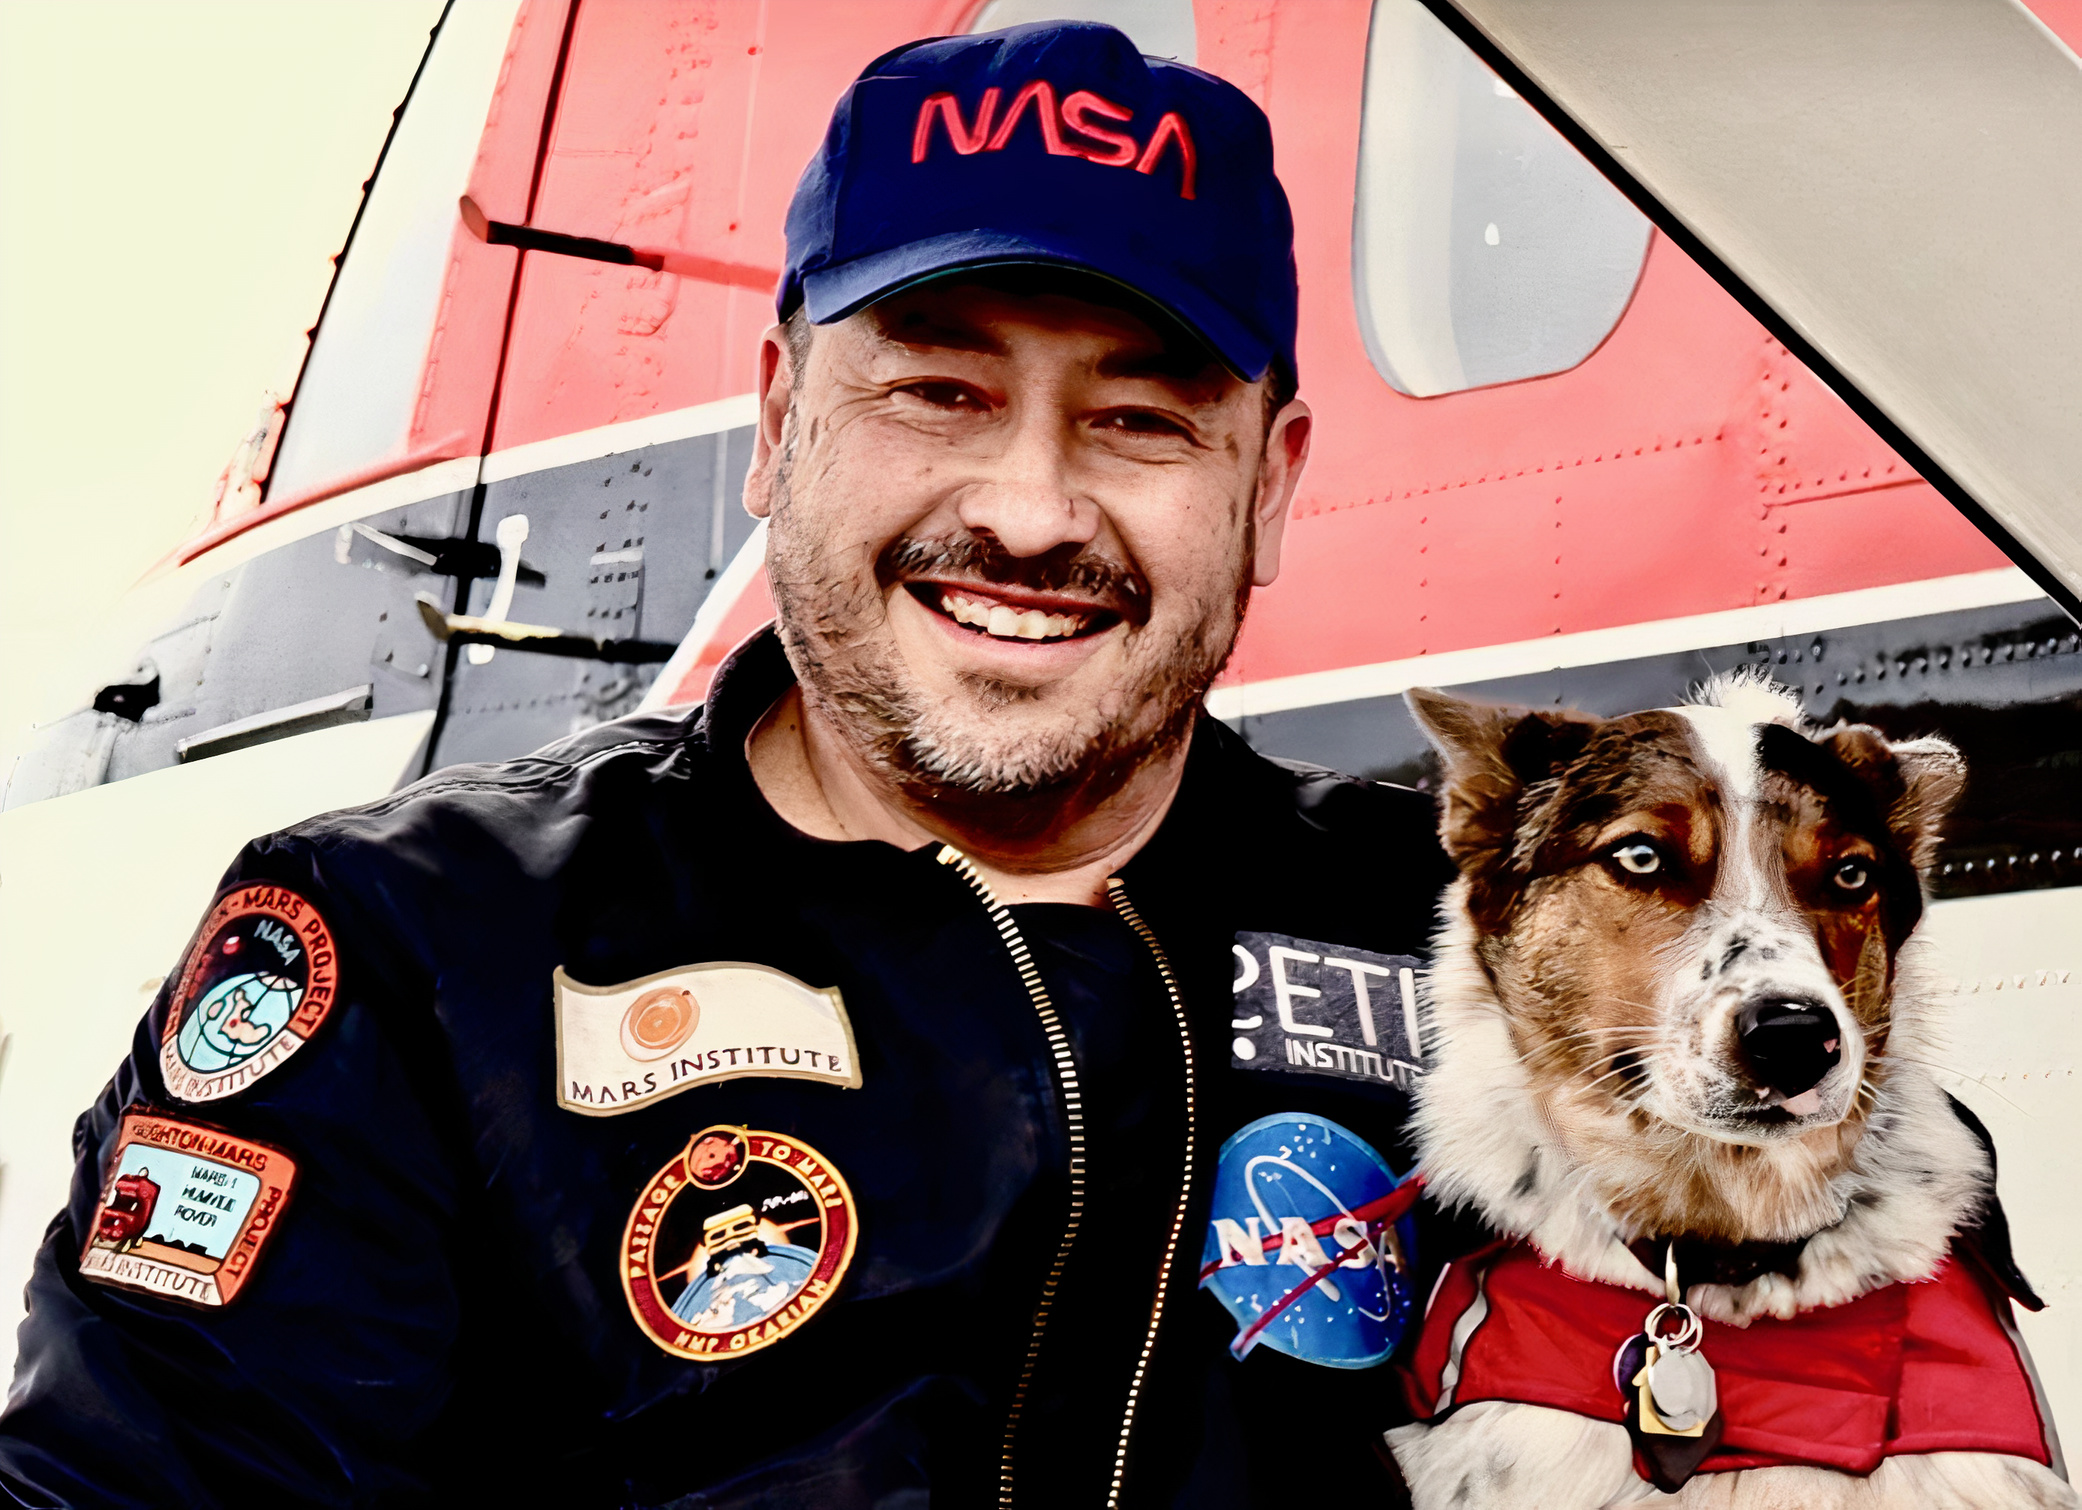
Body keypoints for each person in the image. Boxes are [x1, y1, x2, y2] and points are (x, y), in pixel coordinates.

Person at [0, 22, 1453, 1507]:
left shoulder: (1487, 936)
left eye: (1139, 421)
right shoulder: (410, 948)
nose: (1027, 511)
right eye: (936, 393)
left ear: (1267, 487)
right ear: (777, 422)